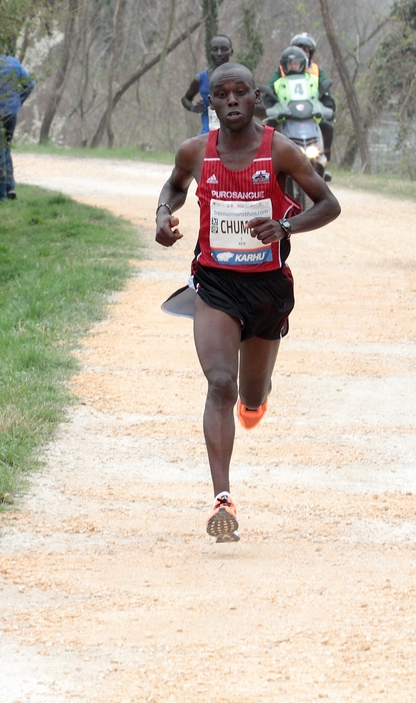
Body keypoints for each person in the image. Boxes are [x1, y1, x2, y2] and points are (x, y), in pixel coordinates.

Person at [155, 62, 340, 542]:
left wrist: (287, 226)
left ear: (257, 98)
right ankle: (223, 500)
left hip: (268, 288)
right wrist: (161, 214)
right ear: (211, 103)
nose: (232, 101)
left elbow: (328, 204)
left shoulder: (281, 150)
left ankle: (256, 401)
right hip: (215, 284)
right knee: (220, 383)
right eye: (222, 95)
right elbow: (175, 186)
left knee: (250, 394)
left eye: (241, 93)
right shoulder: (195, 152)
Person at [270, 32, 335, 179]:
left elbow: (325, 93)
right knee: (269, 131)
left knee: (328, 128)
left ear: (311, 53)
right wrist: (272, 109)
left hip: (310, 117)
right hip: (287, 117)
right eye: (299, 49)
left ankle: (323, 162)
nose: (303, 52)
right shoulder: (281, 71)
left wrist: (328, 108)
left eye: (306, 50)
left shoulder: (317, 71)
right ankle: (269, 165)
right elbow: (270, 91)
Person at [0, 53, 35, 201]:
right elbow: (30, 84)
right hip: (11, 113)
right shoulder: (14, 63)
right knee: (5, 148)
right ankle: (10, 187)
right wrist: (18, 100)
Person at [181, 35, 235, 134]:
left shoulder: (240, 77)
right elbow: (185, 99)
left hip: (235, 132)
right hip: (209, 132)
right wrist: (194, 108)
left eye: (224, 49)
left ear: (231, 52)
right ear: (209, 52)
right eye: (215, 49)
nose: (219, 53)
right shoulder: (200, 78)